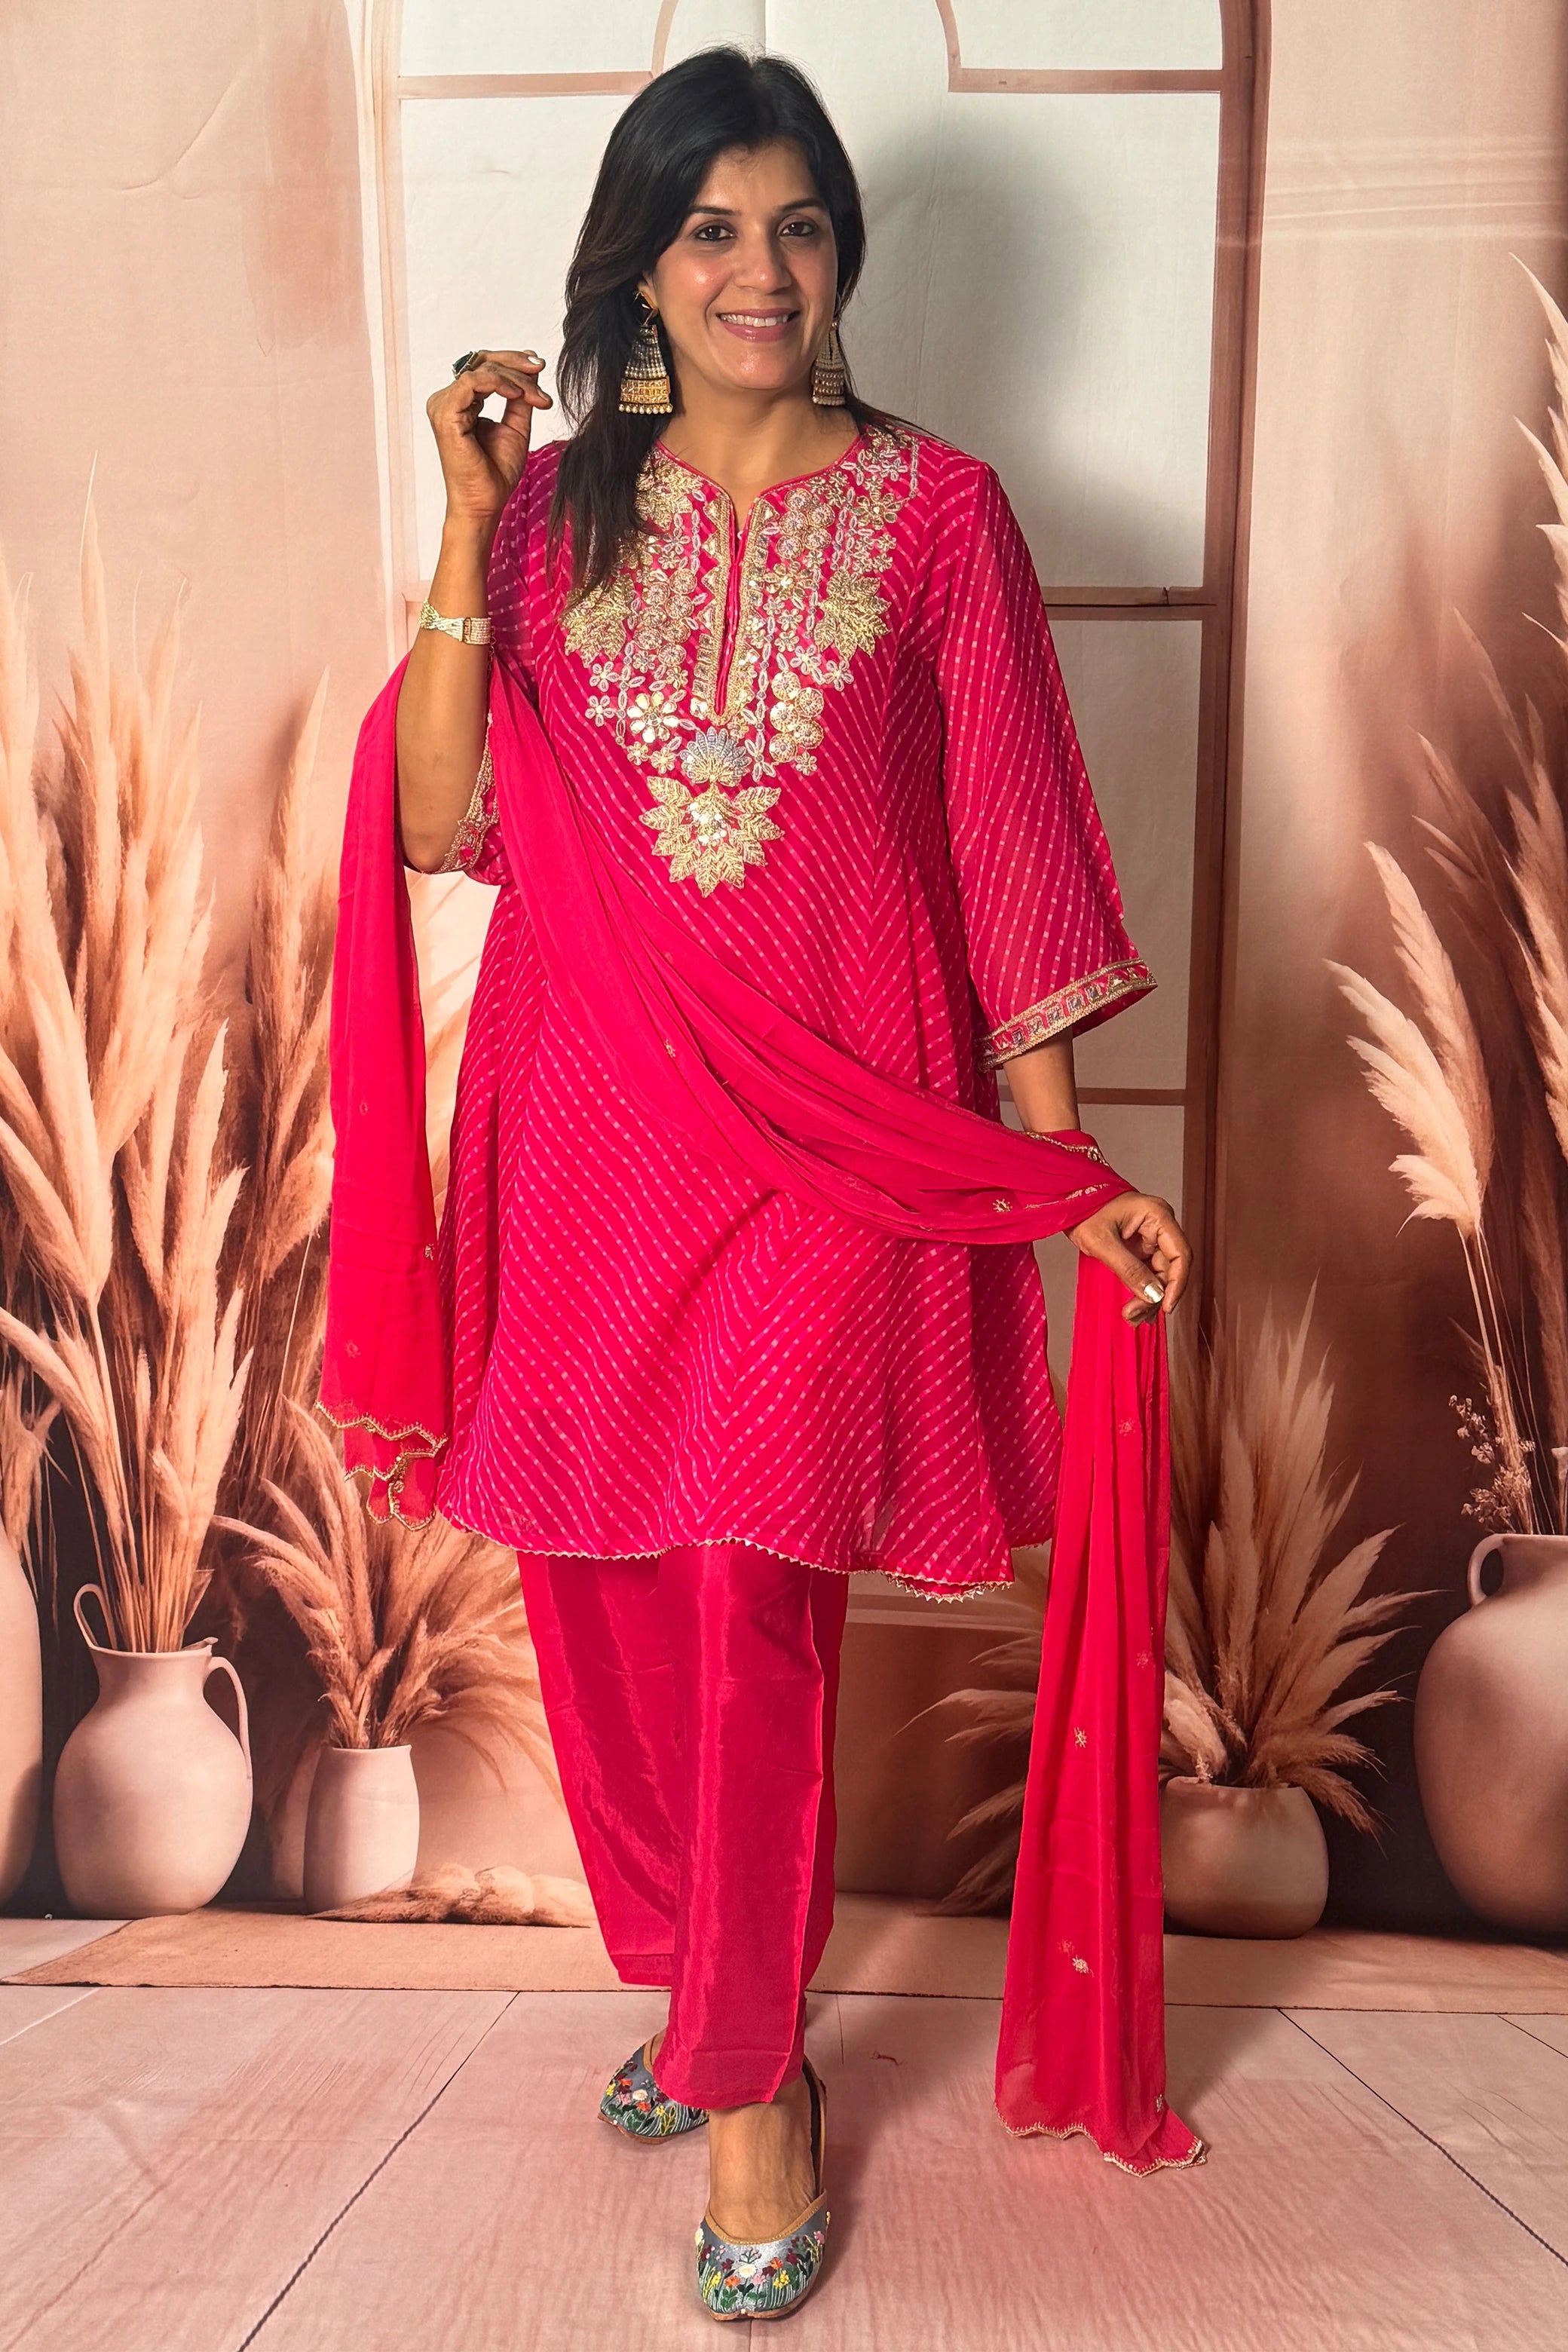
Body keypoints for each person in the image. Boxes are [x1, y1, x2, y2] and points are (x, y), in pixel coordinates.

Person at [324, 45, 1199, 2323]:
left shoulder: (938, 516)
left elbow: (1011, 857)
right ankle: (693, 1981)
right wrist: (454, 522)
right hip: (589, 1132)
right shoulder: (550, 519)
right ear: (641, 258)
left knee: (754, 1601)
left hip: (840, 1148)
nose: (759, 269)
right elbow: (441, 824)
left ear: (843, 259)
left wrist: (1060, 1176)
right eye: (710, 228)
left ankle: (747, 2087)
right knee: (608, 1593)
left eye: (798, 224)